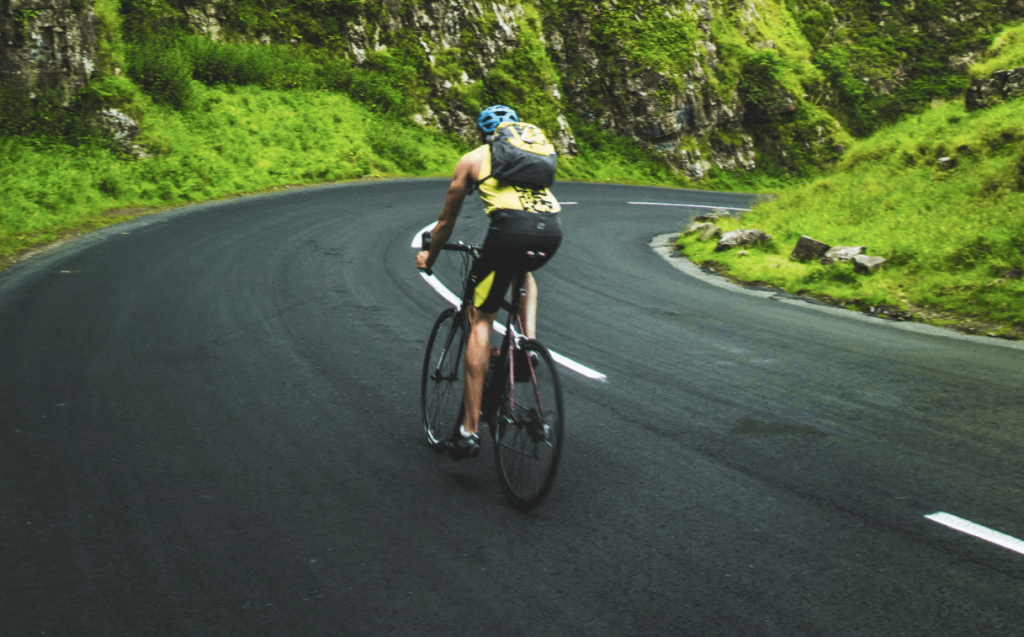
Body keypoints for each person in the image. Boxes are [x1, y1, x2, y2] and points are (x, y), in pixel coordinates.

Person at [415, 105, 562, 459]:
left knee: (481, 318)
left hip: (509, 232)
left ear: (484, 134)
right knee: (521, 272)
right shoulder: (530, 157)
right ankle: (526, 344)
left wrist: (429, 258)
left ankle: (468, 432)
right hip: (551, 231)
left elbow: (445, 223)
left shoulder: (473, 158)